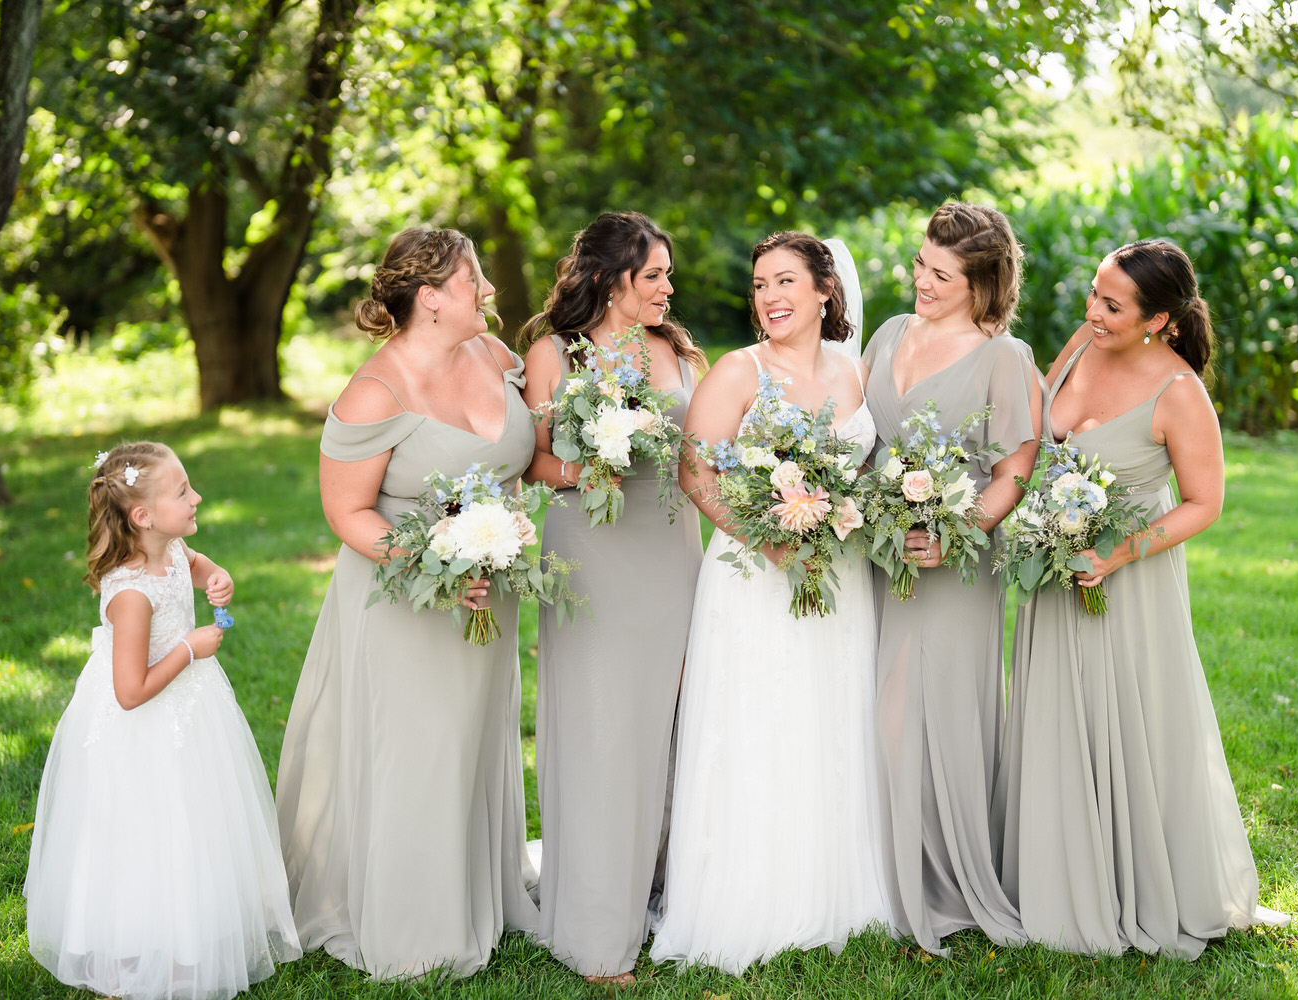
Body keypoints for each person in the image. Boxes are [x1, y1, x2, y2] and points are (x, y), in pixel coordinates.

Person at [996, 239, 1289, 956]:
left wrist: (1117, 554)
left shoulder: (1179, 392)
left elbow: (1205, 503)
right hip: (1054, 578)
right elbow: (1039, 421)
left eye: (1113, 305)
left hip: (1129, 582)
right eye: (1093, 295)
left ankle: (1141, 884)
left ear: (1159, 319)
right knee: (1057, 714)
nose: (1094, 312)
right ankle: (1057, 878)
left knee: (1132, 722)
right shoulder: (1081, 345)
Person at [274, 228, 538, 980]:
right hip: (405, 604)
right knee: (420, 753)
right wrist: (439, 563)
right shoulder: (374, 393)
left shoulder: (492, 357)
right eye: (473, 281)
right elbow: (350, 515)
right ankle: (416, 926)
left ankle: (478, 891)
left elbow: (523, 454)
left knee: (473, 740)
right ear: (430, 299)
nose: (488, 292)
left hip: (489, 594)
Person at [650, 231, 891, 973]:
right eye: (759, 285)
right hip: (755, 577)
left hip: (838, 577)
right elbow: (697, 476)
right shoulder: (737, 370)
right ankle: (743, 890)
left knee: (830, 718)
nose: (771, 297)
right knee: (756, 720)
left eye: (786, 281)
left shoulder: (856, 375)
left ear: (826, 290)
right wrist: (775, 539)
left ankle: (836, 886)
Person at [25, 442, 300, 1000]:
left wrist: (218, 578)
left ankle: (196, 926)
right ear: (142, 516)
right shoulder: (129, 594)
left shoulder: (172, 550)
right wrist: (189, 649)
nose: (196, 497)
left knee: (195, 817)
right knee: (146, 828)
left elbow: (198, 569)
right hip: (142, 722)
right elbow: (130, 692)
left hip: (191, 711)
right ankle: (136, 940)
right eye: (183, 491)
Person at [519, 211, 706, 985]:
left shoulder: (674, 349)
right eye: (654, 275)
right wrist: (589, 468)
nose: (668, 287)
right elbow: (532, 460)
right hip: (592, 555)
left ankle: (670, 892)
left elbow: (703, 451)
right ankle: (597, 921)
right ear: (609, 279)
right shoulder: (551, 353)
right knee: (602, 723)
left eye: (668, 273)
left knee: (673, 720)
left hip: (671, 550)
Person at [861, 202, 1042, 955]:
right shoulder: (889, 334)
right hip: (877, 553)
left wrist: (958, 530)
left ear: (982, 283)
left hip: (954, 562)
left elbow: (1015, 472)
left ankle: (939, 881)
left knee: (931, 712)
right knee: (877, 710)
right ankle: (876, 871)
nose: (921, 281)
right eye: (919, 265)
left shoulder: (1006, 358)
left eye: (940, 274)